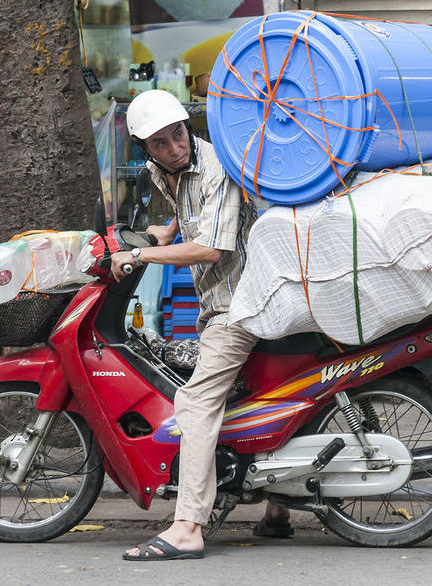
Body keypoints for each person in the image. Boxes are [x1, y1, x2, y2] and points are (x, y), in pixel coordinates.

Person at [112, 90, 290, 561]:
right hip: (221, 299)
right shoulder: (164, 171)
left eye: (179, 135)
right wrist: (164, 233)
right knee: (256, 395)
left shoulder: (216, 167)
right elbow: (189, 215)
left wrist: (140, 253)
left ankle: (188, 526)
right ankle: (280, 505)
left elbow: (213, 248)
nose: (176, 148)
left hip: (241, 303)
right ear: (144, 148)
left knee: (194, 403)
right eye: (162, 143)